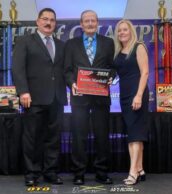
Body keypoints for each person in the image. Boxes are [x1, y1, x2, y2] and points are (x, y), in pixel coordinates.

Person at [12, 8, 67, 186]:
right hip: (33, 98)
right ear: (37, 21)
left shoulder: (61, 44)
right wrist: (23, 91)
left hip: (57, 98)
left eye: (51, 20)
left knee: (53, 138)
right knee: (32, 138)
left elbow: (64, 71)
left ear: (55, 24)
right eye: (44, 19)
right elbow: (17, 68)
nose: (48, 22)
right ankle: (32, 173)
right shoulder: (25, 41)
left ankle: (50, 172)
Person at [64, 10, 114, 185]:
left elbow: (112, 67)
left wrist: (110, 77)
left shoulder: (108, 43)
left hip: (101, 97)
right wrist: (72, 84)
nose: (90, 23)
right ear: (81, 24)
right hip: (80, 97)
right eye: (87, 21)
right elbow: (67, 70)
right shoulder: (71, 44)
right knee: (79, 136)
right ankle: (79, 173)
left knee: (102, 136)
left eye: (93, 20)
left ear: (97, 22)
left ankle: (102, 172)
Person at [113, 19, 149, 185]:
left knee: (134, 136)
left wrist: (139, 95)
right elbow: (116, 75)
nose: (122, 32)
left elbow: (145, 73)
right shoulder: (119, 51)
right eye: (119, 30)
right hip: (124, 96)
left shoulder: (138, 46)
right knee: (135, 133)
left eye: (125, 30)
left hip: (137, 95)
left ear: (131, 31)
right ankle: (140, 169)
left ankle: (133, 172)